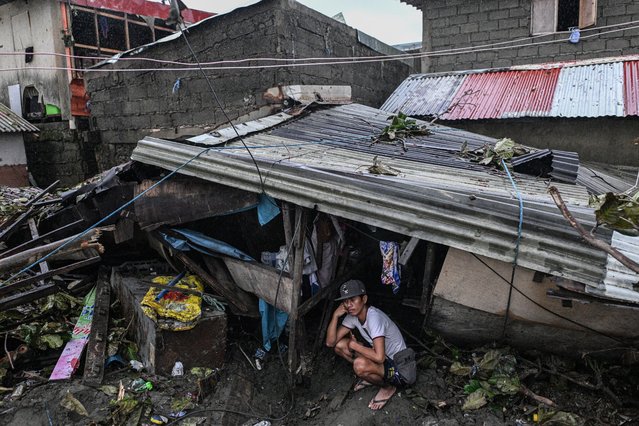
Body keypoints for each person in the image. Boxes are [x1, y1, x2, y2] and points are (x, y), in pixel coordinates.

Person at [326, 279, 416, 410]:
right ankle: (372, 374)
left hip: (400, 368)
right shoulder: (352, 316)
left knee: (359, 365)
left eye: (353, 300)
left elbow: (379, 357)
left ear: (364, 299)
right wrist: (335, 316)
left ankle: (387, 388)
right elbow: (330, 342)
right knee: (340, 346)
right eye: (346, 301)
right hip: (384, 359)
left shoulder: (374, 317)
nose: (349, 305)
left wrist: (355, 346)